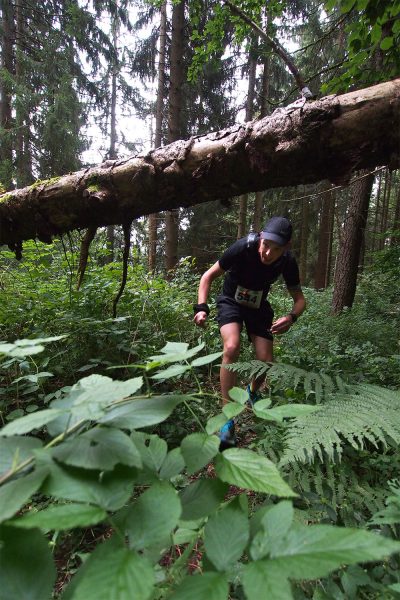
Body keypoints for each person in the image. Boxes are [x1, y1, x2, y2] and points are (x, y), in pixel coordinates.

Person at [193, 216, 306, 449]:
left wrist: (291, 317)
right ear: (261, 238)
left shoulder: (287, 262)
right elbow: (207, 277)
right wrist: (202, 307)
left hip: (258, 307)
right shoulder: (243, 247)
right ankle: (228, 420)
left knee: (266, 362)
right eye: (265, 245)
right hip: (230, 301)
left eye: (275, 249)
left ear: (285, 249)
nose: (267, 253)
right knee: (232, 347)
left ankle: (251, 394)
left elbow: (300, 300)